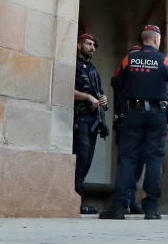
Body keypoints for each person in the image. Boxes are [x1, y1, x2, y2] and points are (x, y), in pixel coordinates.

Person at [100, 25, 168, 220]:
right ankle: (151, 209)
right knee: (154, 159)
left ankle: (118, 208)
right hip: (157, 115)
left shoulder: (129, 59)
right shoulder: (165, 61)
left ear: (143, 39)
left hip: (133, 113)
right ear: (156, 40)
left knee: (127, 159)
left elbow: (116, 83)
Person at [73, 33, 108, 215]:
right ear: (79, 46)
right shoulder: (73, 66)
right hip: (79, 116)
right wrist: (87, 96)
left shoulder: (93, 70)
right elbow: (64, 88)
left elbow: (99, 92)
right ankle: (75, 200)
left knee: (87, 159)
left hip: (93, 119)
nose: (92, 47)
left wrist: (103, 99)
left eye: (94, 45)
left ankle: (78, 198)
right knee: (81, 156)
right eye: (88, 44)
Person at [111, 45, 144, 215]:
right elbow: (115, 83)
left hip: (139, 121)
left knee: (138, 163)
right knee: (126, 162)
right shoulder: (121, 73)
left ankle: (131, 200)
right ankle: (124, 201)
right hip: (124, 120)